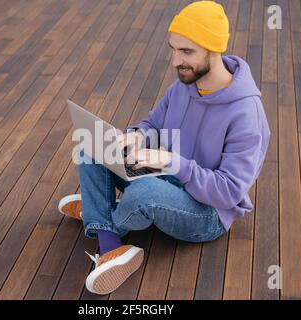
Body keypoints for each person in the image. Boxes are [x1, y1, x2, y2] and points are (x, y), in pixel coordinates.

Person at [58, 0, 270, 295]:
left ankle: (104, 226)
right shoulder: (183, 86)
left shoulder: (247, 114)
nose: (175, 61)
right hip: (166, 175)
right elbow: (153, 124)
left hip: (207, 213)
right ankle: (105, 221)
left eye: (186, 51)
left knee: (142, 194)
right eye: (174, 49)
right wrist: (137, 135)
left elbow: (229, 191)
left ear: (213, 50)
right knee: (91, 146)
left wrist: (172, 163)